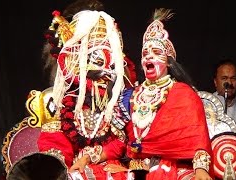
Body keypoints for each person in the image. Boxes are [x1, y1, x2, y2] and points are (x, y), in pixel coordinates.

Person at [7, 1, 138, 179]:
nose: (96, 61)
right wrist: (58, 165)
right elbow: (56, 142)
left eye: (102, 56)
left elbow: (123, 142)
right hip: (72, 169)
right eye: (89, 54)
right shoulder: (60, 99)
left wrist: (89, 157)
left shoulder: (120, 98)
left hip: (112, 168)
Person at [124, 8, 214, 180]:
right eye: (145, 53)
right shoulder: (133, 94)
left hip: (173, 166)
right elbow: (121, 138)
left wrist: (200, 169)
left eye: (156, 53)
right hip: (133, 167)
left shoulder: (183, 93)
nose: (149, 57)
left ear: (169, 63)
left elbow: (197, 136)